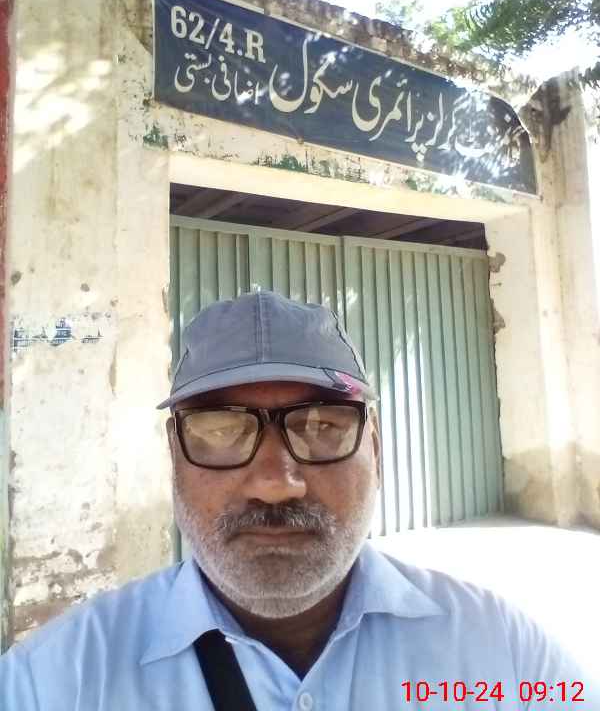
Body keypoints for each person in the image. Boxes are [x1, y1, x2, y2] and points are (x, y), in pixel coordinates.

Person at [0, 290, 598, 710]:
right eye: (221, 431)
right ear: (174, 457)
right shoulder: (52, 682)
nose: (276, 483)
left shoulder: (504, 655)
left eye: (322, 427)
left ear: (376, 450)